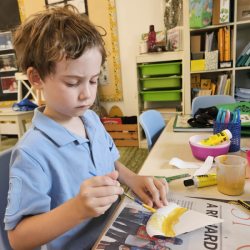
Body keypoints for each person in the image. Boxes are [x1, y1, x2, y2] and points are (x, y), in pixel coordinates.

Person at [4, 4, 169, 250]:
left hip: (115, 229)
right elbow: (18, 239)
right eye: (73, 83)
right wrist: (78, 209)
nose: (87, 95)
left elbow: (109, 163)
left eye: (93, 80)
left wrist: (133, 178)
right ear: (37, 78)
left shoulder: (90, 120)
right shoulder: (32, 153)